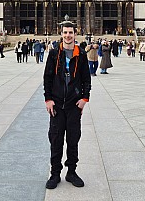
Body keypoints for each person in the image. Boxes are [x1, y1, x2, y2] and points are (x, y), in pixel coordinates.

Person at [44, 19, 91, 189]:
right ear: (61, 34)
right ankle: (55, 173)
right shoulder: (54, 53)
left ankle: (71, 172)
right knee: (56, 140)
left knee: (73, 139)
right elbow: (47, 78)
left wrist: (85, 98)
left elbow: (86, 78)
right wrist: (48, 99)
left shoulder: (82, 54)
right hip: (56, 104)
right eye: (65, 32)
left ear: (75, 34)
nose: (68, 35)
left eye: (70, 32)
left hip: (73, 105)